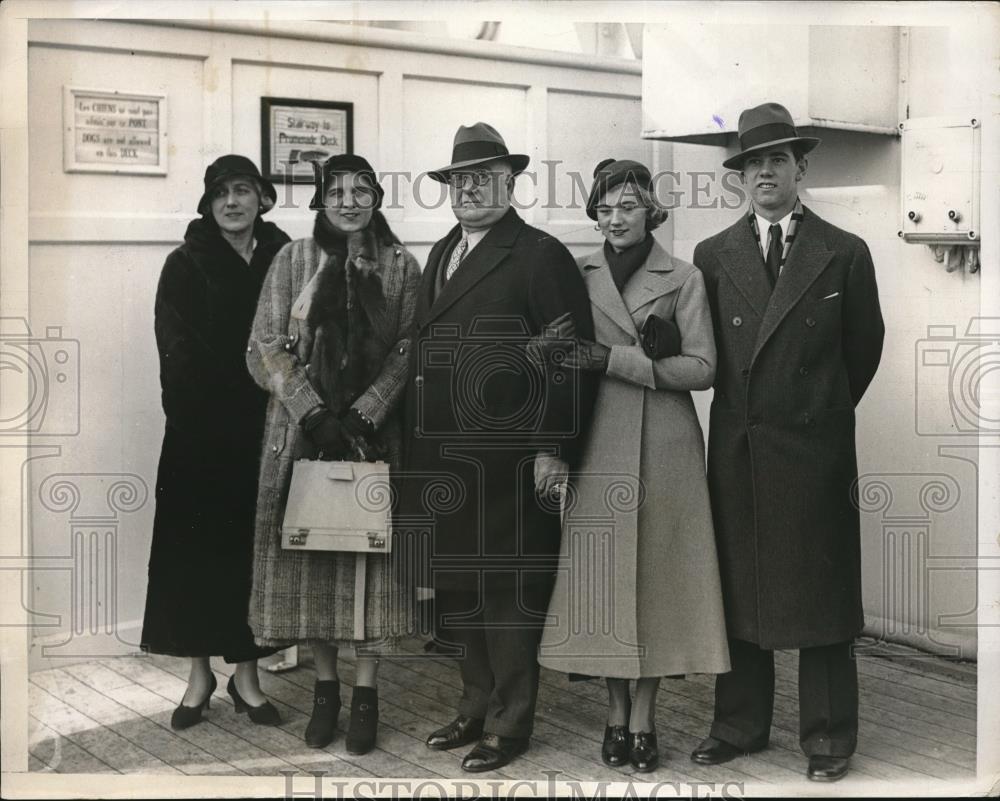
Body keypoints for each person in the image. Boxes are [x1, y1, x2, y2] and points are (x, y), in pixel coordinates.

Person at [689, 102, 884, 782]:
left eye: (776, 159)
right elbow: (707, 349)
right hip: (739, 451)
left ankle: (829, 738)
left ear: (801, 167)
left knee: (822, 596)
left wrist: (816, 414)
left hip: (814, 450)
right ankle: (738, 724)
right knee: (742, 588)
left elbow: (862, 351)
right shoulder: (712, 255)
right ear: (740, 175)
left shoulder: (845, 252)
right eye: (751, 163)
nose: (763, 172)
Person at [397, 122, 599, 773]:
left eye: (484, 176)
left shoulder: (540, 255)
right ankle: (474, 704)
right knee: (461, 591)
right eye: (460, 178)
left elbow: (569, 359)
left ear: (510, 182)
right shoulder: (442, 251)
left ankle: (512, 723)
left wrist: (553, 448)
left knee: (509, 592)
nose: (470, 187)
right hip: (446, 460)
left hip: (511, 461)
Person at [536, 159, 731, 773]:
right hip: (596, 441)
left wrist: (616, 359)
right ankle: (613, 716)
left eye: (627, 206)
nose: (615, 218)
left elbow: (704, 369)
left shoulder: (685, 276)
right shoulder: (576, 273)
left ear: (651, 211)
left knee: (658, 587)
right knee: (602, 585)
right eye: (605, 207)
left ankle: (643, 721)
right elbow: (557, 355)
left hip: (665, 447)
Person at [245, 154, 421, 754]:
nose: (349, 202)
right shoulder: (293, 259)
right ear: (321, 199)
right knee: (314, 562)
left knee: (369, 563)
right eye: (336, 192)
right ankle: (326, 690)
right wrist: (313, 412)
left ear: (377, 197)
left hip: (373, 441)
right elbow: (265, 344)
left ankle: (367, 694)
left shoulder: (400, 265)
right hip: (302, 438)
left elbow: (409, 348)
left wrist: (366, 411)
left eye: (361, 191)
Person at [141, 154, 290, 730]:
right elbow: (174, 351)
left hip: (268, 432)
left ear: (262, 199)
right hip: (201, 436)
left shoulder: (284, 257)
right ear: (208, 202)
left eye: (244, 191)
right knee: (196, 557)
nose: (233, 202)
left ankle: (247, 677)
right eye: (222, 192)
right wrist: (205, 415)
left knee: (251, 559)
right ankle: (199, 674)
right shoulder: (185, 263)